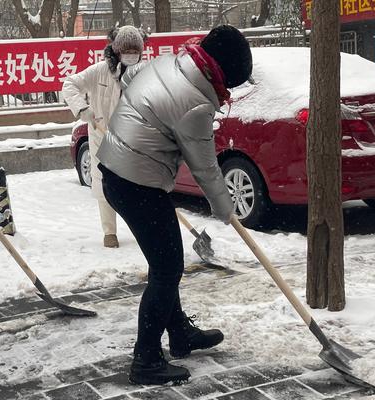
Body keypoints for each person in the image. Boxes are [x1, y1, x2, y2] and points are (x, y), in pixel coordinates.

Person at [96, 25, 253, 385]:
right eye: (231, 84)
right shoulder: (196, 102)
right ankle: (147, 360)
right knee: (167, 269)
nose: (228, 92)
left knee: (165, 262)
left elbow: (131, 75)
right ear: (222, 73)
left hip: (118, 170)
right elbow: (205, 167)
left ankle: (180, 334)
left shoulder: (172, 63)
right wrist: (225, 208)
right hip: (137, 183)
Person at [62, 25, 147, 248]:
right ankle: (110, 232)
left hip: (132, 140)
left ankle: (140, 228)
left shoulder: (144, 73)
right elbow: (69, 84)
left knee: (137, 186)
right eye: (127, 51)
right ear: (117, 51)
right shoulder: (100, 71)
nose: (131, 55)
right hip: (102, 135)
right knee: (104, 184)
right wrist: (82, 109)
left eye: (135, 51)